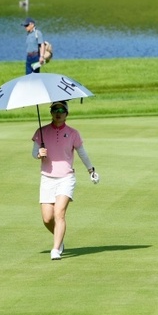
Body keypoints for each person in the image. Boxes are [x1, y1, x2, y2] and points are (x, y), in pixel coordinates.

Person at [31, 101, 98, 260]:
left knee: (59, 213)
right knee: (47, 218)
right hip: (47, 178)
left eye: (61, 110)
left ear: (67, 113)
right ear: (51, 112)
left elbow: (82, 153)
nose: (58, 113)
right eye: (55, 110)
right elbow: (34, 153)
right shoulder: (41, 131)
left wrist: (91, 170)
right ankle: (59, 238)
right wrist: (39, 153)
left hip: (66, 178)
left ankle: (56, 249)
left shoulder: (73, 133)